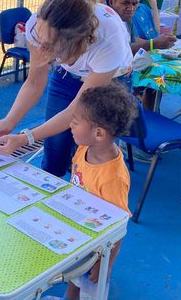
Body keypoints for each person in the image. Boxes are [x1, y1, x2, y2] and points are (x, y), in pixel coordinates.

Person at [0, 0, 133, 178]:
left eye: (49, 45)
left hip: (111, 80)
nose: (41, 48)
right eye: (39, 39)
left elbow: (74, 110)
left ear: (76, 43)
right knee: (54, 144)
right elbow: (35, 81)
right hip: (68, 75)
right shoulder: (38, 25)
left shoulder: (109, 42)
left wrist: (24, 138)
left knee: (95, 148)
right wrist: (9, 121)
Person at [62, 82, 137, 300]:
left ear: (98, 133)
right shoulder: (85, 148)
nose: (70, 125)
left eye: (75, 122)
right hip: (78, 234)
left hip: (96, 250)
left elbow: (118, 227)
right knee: (73, 279)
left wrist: (104, 263)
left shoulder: (113, 178)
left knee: (89, 291)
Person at [106, 0, 176, 54]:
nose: (131, 8)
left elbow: (133, 45)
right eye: (125, 3)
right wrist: (153, 44)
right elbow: (120, 51)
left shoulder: (128, 21)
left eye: (134, 4)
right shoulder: (107, 23)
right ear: (111, 2)